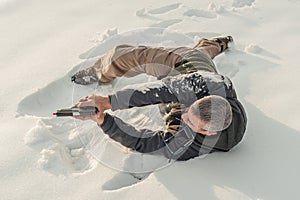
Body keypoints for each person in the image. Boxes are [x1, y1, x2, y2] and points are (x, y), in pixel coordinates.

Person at [72, 36, 247, 161]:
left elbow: (145, 142)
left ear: (209, 133)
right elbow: (161, 91)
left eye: (191, 123)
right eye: (190, 110)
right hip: (182, 65)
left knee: (201, 52)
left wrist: (104, 120)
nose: (185, 117)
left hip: (187, 82)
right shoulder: (215, 84)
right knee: (124, 55)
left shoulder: (190, 145)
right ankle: (97, 73)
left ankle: (211, 44)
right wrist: (108, 101)